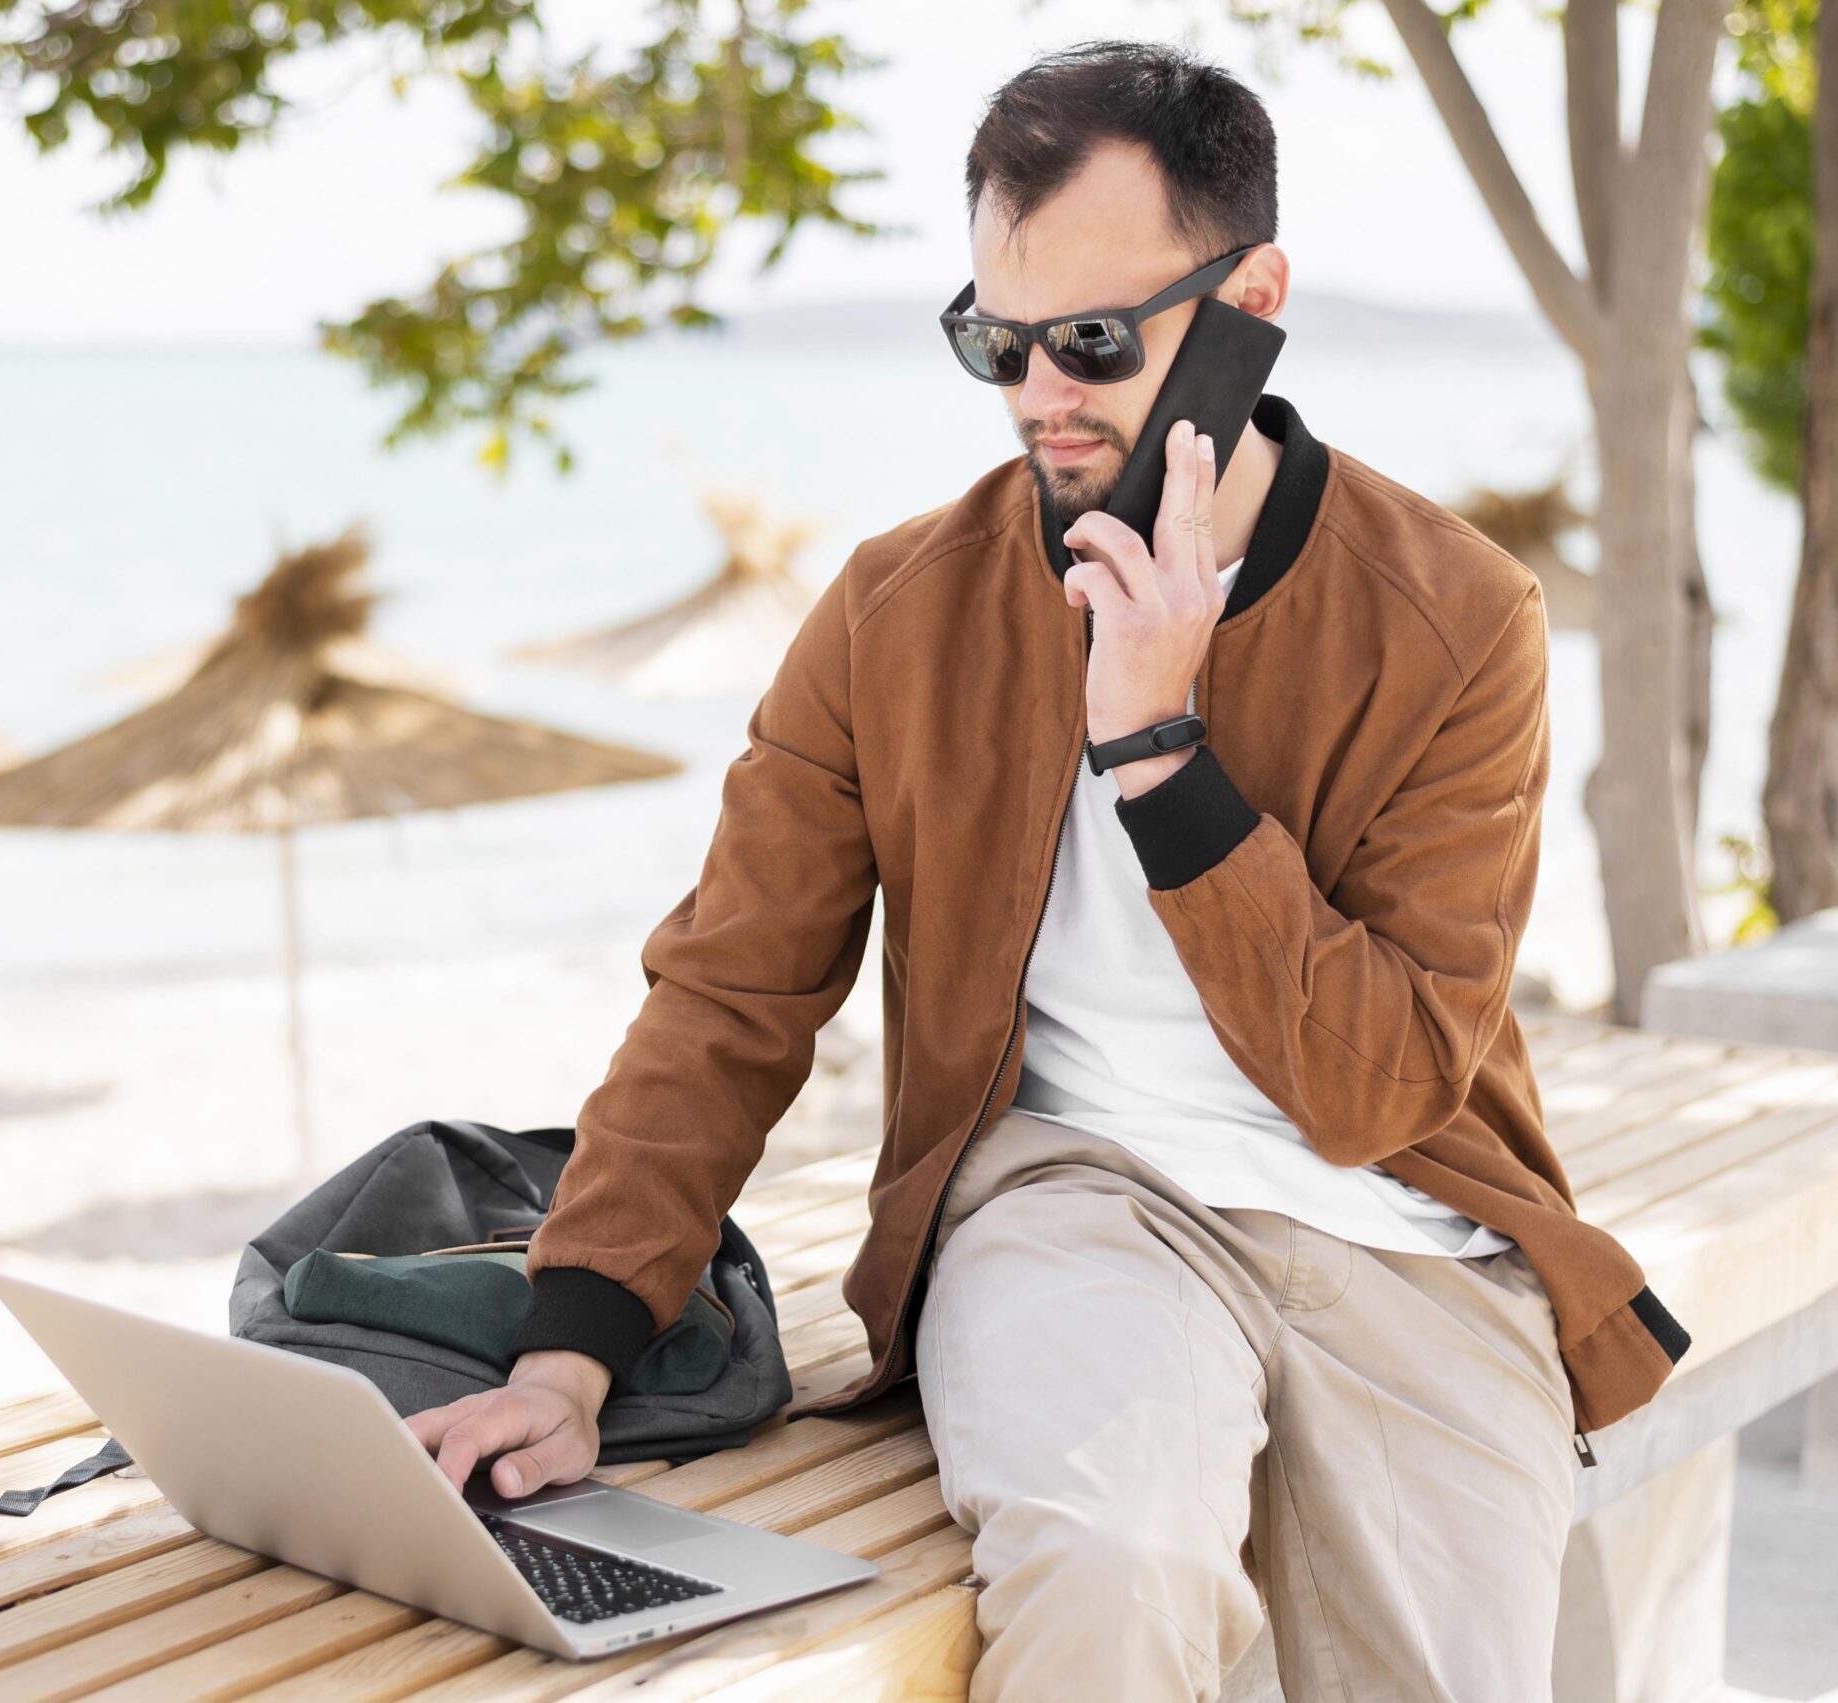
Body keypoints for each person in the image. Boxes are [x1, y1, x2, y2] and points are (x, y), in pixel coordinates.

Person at [407, 37, 1688, 1701]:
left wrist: (1160, 752)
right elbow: (731, 988)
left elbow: (1377, 1091)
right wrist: (571, 1348)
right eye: (992, 341)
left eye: (1091, 339)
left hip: (1407, 1231)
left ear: (1253, 297)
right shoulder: (894, 614)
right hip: (1070, 1194)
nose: (1038, 395)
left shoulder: (1455, 621)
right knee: (1109, 1570)